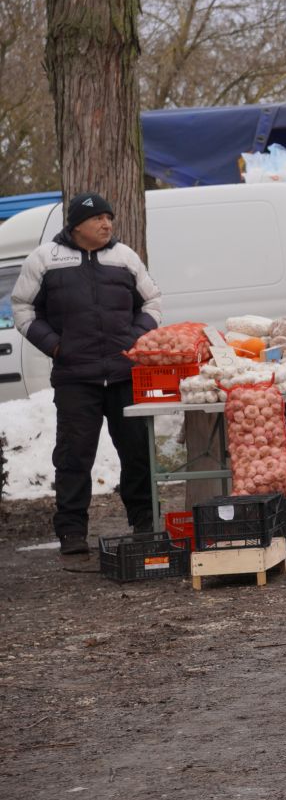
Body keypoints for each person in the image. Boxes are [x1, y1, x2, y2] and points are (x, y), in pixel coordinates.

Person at [12, 192, 163, 564]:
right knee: (74, 456)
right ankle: (71, 531)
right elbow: (23, 308)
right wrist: (56, 347)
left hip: (125, 373)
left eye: (109, 219)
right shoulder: (45, 259)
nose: (107, 225)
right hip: (75, 377)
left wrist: (133, 339)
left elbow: (153, 303)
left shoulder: (125, 257)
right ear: (77, 224)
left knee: (137, 451)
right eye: (98, 219)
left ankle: (144, 521)